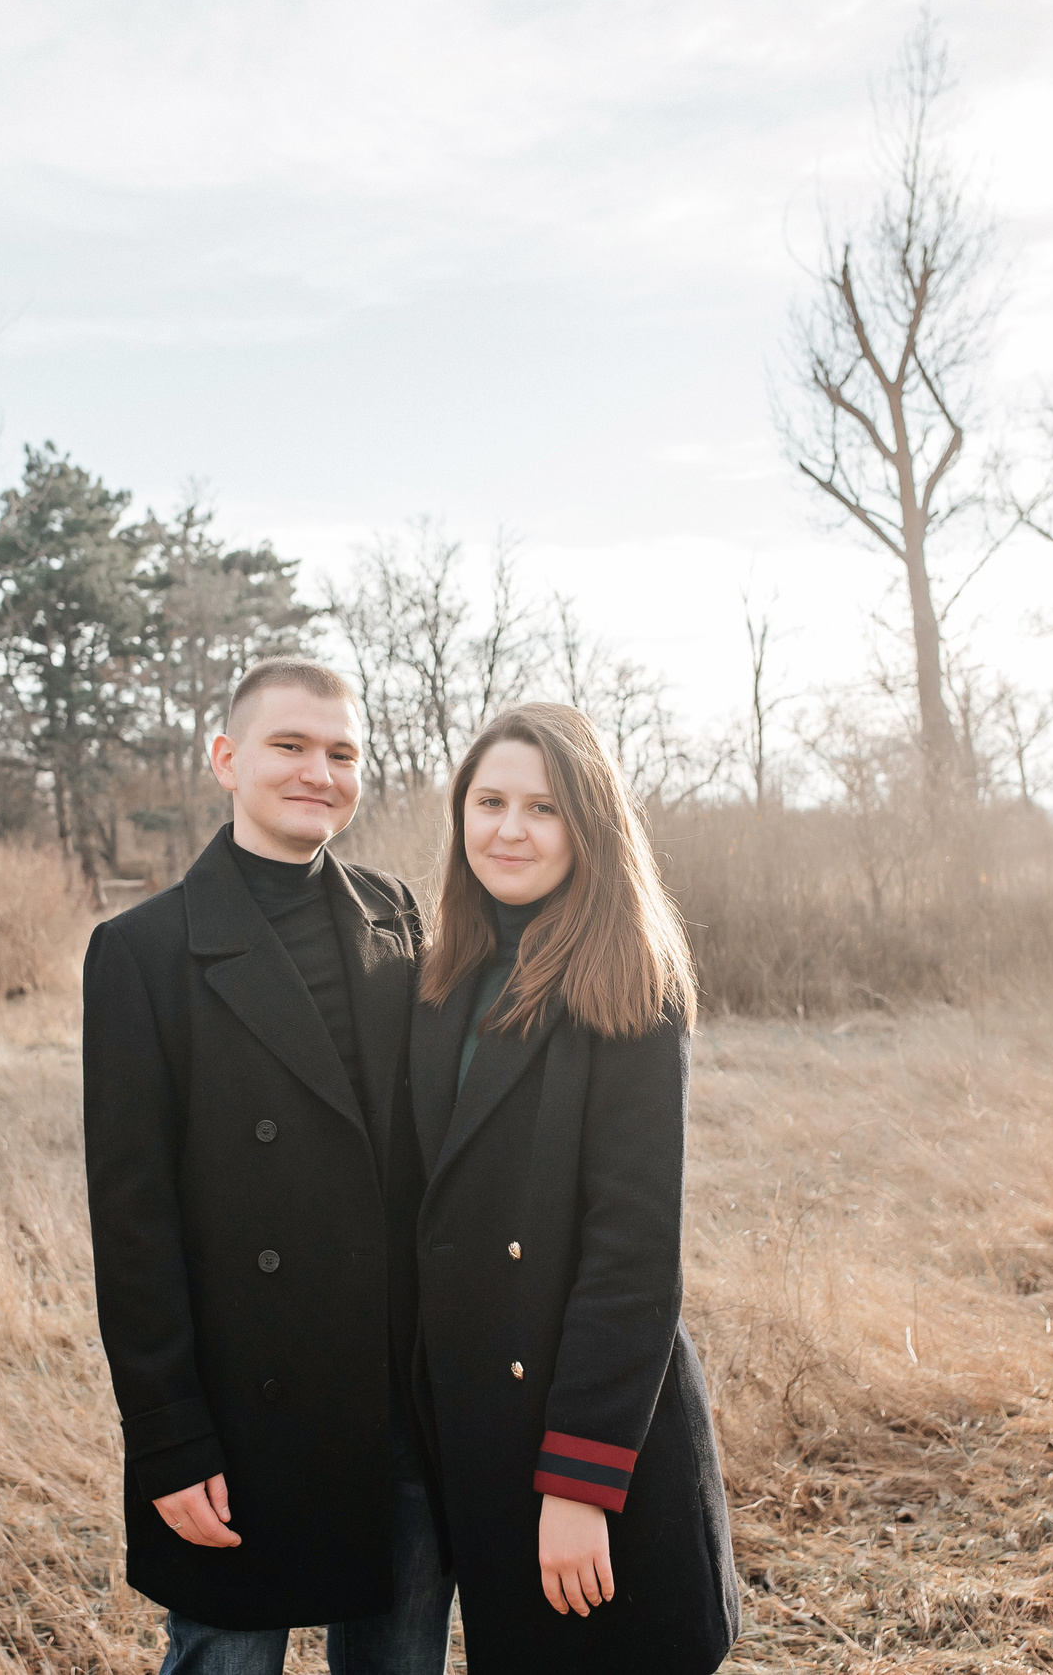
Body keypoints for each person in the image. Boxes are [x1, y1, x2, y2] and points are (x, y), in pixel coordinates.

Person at [83, 657, 454, 1675]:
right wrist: (166, 1435)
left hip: (397, 1403)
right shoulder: (143, 952)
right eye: (289, 745)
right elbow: (132, 1220)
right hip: (243, 1411)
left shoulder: (397, 915)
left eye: (343, 752)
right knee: (227, 1660)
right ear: (226, 758)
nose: (318, 772)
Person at [407, 702, 740, 1675]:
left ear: (587, 821)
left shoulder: (630, 983)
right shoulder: (441, 976)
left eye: (542, 807)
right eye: (490, 800)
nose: (509, 828)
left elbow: (632, 1256)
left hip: (592, 1440)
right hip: (479, 1434)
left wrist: (581, 1486)